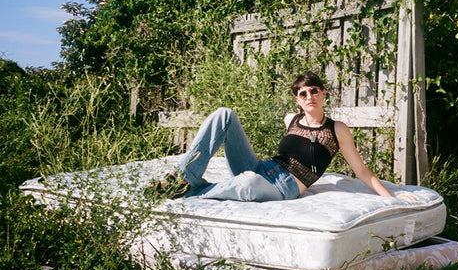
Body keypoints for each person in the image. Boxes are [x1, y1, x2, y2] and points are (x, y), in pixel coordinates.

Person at [147, 71, 417, 202]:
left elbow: (361, 170)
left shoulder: (337, 129)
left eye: (314, 91)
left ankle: (194, 194)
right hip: (263, 168)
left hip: (285, 187)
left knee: (247, 182)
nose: (309, 97)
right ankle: (184, 178)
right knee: (224, 114)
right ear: (297, 100)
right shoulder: (292, 119)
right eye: (303, 93)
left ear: (323, 94)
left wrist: (393, 196)